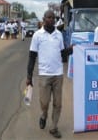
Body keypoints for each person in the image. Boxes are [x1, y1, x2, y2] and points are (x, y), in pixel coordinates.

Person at [26, 10, 73, 138]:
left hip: (58, 74)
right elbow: (32, 57)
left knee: (58, 103)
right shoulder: (37, 35)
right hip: (44, 75)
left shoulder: (59, 35)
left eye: (53, 17)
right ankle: (44, 115)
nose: (52, 19)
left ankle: (54, 127)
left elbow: (62, 54)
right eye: (49, 17)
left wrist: (70, 50)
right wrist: (29, 77)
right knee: (44, 102)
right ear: (44, 19)